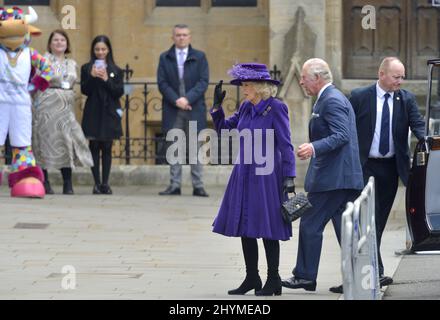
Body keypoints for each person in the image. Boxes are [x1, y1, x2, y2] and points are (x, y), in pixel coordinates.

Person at [329, 57, 425, 294]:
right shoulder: (360, 96)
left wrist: (428, 142)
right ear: (381, 74)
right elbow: (345, 128)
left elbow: (419, 126)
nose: (400, 81)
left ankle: (373, 271)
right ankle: (365, 273)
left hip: (390, 170)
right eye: (396, 77)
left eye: (402, 77)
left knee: (377, 222)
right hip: (362, 167)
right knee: (362, 221)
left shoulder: (407, 99)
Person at [211, 63, 296, 296]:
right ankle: (251, 277)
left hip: (267, 175)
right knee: (245, 226)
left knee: (267, 227)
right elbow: (224, 129)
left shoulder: (276, 108)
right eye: (243, 84)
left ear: (260, 87)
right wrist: (217, 107)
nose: (243, 89)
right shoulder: (246, 107)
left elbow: (286, 144)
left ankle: (274, 279)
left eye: (247, 84)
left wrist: (289, 176)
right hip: (244, 172)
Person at [281, 58, 364, 292]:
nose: (301, 81)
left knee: (310, 222)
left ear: (317, 78)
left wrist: (313, 147)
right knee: (345, 229)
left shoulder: (332, 100)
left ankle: (305, 276)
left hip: (334, 179)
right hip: (338, 177)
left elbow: (342, 135)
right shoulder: (326, 98)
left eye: (304, 78)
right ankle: (359, 276)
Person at [32, 30, 93, 195]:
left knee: (67, 142)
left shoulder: (71, 63)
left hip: (66, 109)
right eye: (55, 40)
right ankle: (45, 182)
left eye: (62, 40)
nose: (59, 42)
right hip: (46, 106)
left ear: (67, 44)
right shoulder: (42, 60)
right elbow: (35, 83)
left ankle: (67, 182)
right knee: (44, 142)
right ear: (50, 43)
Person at [157, 24, 209, 197]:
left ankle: (198, 185)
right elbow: (162, 82)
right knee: (174, 147)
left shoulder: (199, 57)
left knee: (196, 147)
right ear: (173, 37)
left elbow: (203, 81)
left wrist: (187, 99)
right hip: (173, 109)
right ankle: (175, 185)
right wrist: (176, 100)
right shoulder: (165, 58)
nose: (181, 38)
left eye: (185, 35)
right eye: (178, 35)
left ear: (190, 37)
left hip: (194, 108)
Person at [81, 35, 124, 195]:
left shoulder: (116, 70)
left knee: (107, 146)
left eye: (103, 49)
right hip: (93, 110)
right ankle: (96, 183)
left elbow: (118, 92)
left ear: (108, 50)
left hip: (109, 111)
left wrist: (106, 79)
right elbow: (85, 90)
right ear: (93, 50)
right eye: (97, 49)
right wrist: (92, 77)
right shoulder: (86, 68)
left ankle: (105, 183)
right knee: (93, 146)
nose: (100, 52)